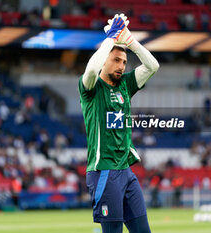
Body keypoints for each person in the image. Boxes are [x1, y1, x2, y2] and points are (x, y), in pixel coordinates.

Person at [78, 14, 159, 233]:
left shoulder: (125, 85)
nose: (121, 66)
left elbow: (152, 66)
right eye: (116, 60)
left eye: (124, 62)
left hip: (125, 171)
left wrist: (130, 41)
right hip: (104, 170)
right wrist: (111, 39)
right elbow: (92, 70)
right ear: (105, 59)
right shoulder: (91, 89)